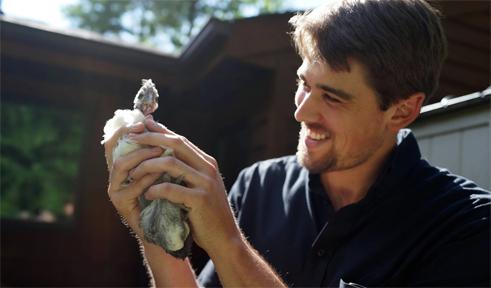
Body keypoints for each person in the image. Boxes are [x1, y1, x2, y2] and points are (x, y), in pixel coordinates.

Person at [103, 0, 490, 286]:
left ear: (402, 111)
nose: (302, 113)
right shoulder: (260, 186)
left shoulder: (467, 226)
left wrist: (228, 244)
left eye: (333, 97)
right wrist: (150, 223)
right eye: (304, 83)